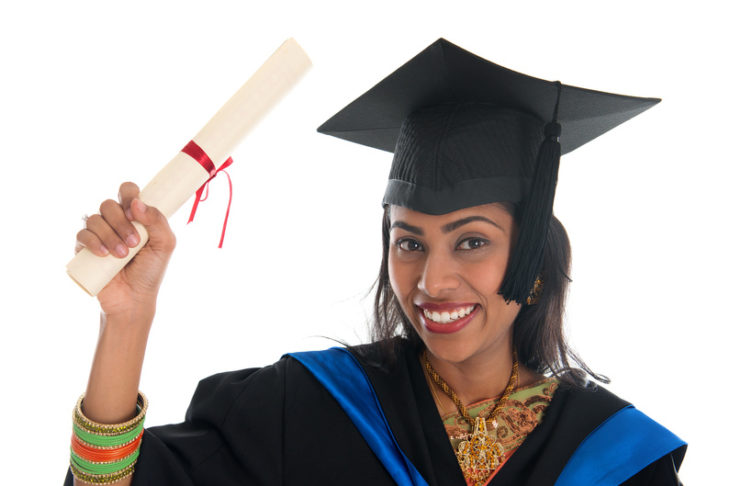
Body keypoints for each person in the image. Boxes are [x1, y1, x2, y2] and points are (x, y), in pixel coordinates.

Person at [65, 38, 686, 486]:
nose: (433, 281)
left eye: (472, 241)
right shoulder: (307, 408)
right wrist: (128, 317)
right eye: (409, 242)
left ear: (533, 256)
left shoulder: (617, 459)